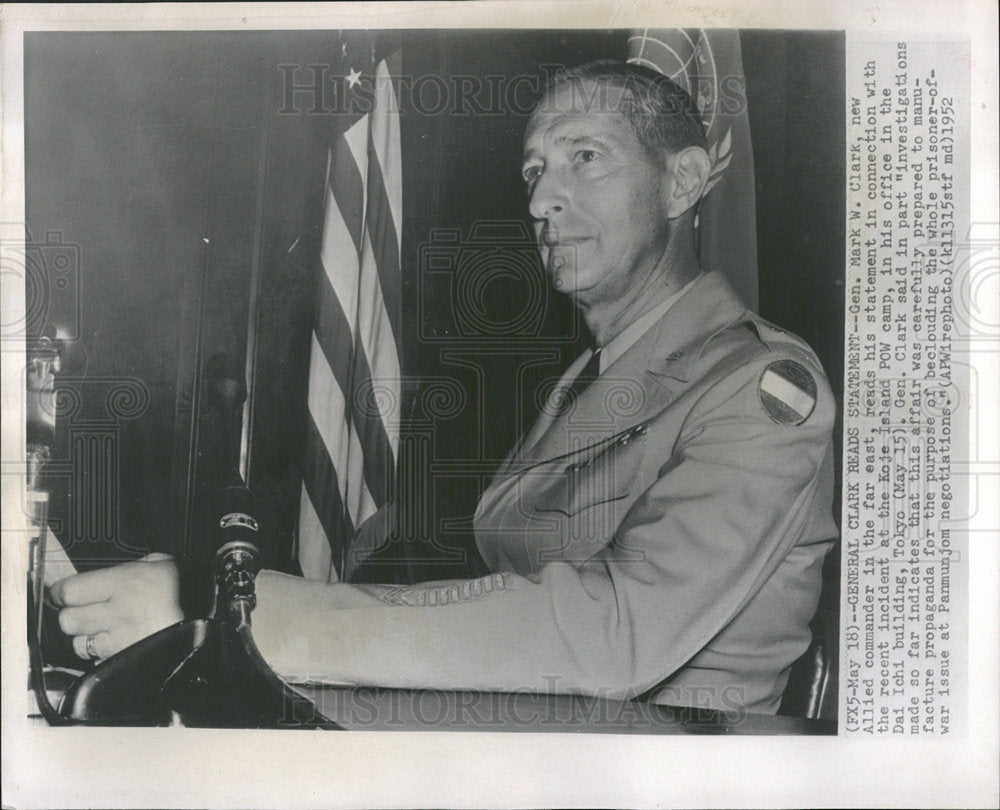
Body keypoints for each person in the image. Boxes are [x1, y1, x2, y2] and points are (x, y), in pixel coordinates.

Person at [50, 61, 837, 714]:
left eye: (584, 157)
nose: (540, 199)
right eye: (533, 169)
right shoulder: (589, 379)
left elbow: (612, 636)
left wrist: (235, 613)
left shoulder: (759, 388)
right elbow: (511, 601)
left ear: (684, 181)